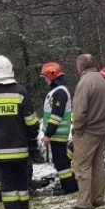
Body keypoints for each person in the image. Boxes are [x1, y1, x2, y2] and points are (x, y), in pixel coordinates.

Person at [0, 55, 39, 209]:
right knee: (21, 177)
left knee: (6, 180)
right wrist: (32, 141)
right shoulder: (21, 91)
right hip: (20, 146)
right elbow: (31, 121)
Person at [68, 54, 105, 209]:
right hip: (101, 128)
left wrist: (77, 129)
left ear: (80, 66)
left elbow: (79, 111)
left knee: (81, 167)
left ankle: (83, 204)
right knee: (98, 165)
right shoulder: (101, 79)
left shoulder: (84, 83)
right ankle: (97, 198)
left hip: (87, 131)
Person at [40, 62, 78, 195]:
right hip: (56, 134)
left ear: (52, 76)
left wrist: (48, 134)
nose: (45, 80)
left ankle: (69, 188)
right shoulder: (57, 91)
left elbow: (56, 116)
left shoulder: (60, 92)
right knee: (61, 162)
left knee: (61, 163)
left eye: (45, 77)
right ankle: (71, 185)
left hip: (58, 134)